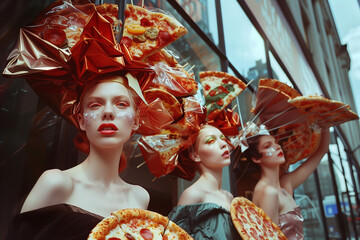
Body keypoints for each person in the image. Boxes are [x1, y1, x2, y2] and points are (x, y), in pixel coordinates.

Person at [5, 76, 150, 239]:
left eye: (121, 104)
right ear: (81, 121)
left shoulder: (139, 196)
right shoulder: (56, 182)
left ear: (136, 121)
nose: (108, 112)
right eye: (95, 105)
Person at [241, 127, 330, 239]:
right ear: (256, 158)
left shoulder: (284, 185)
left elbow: (322, 150)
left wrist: (325, 123)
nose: (277, 147)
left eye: (276, 143)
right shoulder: (268, 192)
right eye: (268, 146)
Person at [168, 124, 241, 240]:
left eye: (223, 138)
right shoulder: (193, 194)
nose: (223, 144)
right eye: (211, 141)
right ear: (195, 155)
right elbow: (173, 236)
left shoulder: (230, 197)